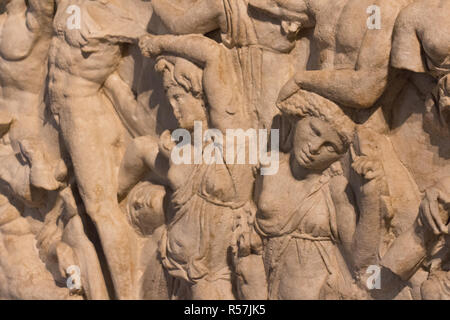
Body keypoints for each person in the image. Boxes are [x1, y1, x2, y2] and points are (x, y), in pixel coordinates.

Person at [118, 33, 267, 299]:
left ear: (201, 95)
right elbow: (141, 148)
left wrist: (161, 43)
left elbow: (214, 55)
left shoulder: (230, 142)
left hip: (213, 276)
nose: (174, 107)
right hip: (173, 269)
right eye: (169, 97)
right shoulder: (185, 150)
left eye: (178, 97)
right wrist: (107, 199)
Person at [48, 0, 151, 299]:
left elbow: (161, 30)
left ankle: (128, 295)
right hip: (64, 118)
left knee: (101, 209)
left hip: (86, 116)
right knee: (87, 207)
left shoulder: (125, 9)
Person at [255, 89, 382, 299]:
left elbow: (360, 259)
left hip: (313, 289)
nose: (314, 148)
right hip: (265, 283)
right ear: (298, 119)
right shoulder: (270, 164)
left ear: (339, 156)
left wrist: (370, 199)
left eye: (329, 147)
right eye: (314, 131)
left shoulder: (335, 188)